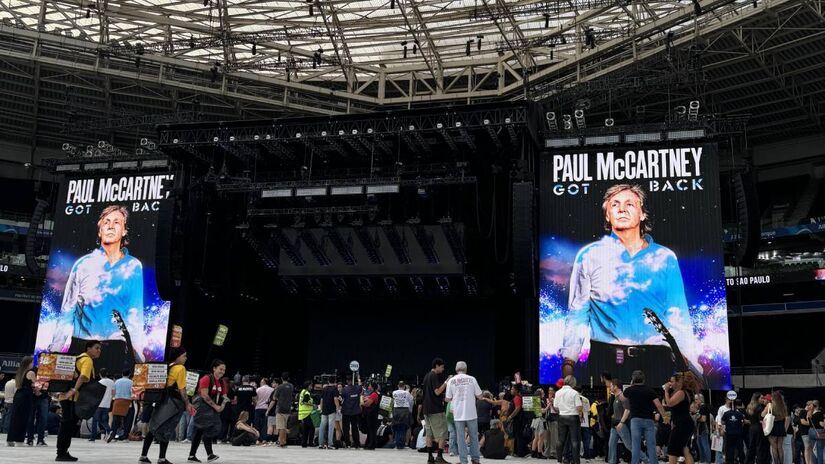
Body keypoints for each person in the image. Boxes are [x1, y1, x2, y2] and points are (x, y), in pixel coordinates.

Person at [562, 184, 701, 384]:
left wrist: (690, 363)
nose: (622, 209)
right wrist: (569, 361)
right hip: (606, 358)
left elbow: (678, 313)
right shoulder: (589, 255)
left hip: (657, 359)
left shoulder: (665, 257)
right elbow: (578, 311)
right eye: (615, 204)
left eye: (630, 204)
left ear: (642, 214)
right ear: (607, 215)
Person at [49, 206, 147, 367]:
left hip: (115, 346)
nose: (110, 226)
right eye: (106, 222)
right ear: (99, 230)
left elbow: (135, 312)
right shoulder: (83, 264)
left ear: (124, 231)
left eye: (116, 222)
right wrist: (55, 350)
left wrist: (138, 355)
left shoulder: (134, 266)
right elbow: (68, 309)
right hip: (82, 344)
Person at [139, 346, 194, 464]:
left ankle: (143, 456)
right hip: (173, 403)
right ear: (178, 356)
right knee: (167, 429)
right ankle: (162, 458)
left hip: (161, 401)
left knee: (153, 428)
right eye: (184, 356)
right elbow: (182, 389)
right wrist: (188, 403)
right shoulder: (180, 368)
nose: (186, 358)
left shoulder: (168, 366)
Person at [55, 340, 102, 461]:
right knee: (68, 425)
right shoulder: (87, 360)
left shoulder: (78, 358)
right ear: (88, 349)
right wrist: (74, 390)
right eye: (96, 348)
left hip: (65, 396)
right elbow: (83, 376)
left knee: (66, 424)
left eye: (100, 349)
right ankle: (61, 453)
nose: (99, 351)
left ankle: (62, 451)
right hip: (72, 398)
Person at [620, 370, 666, 464]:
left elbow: (622, 398)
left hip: (635, 420)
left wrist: (630, 385)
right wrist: (665, 417)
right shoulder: (650, 390)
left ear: (633, 379)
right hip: (649, 420)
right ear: (644, 379)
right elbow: (658, 405)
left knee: (636, 446)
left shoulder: (630, 390)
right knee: (651, 446)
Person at [189, 359, 228, 463]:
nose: (222, 372)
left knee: (202, 431)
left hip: (212, 409)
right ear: (214, 368)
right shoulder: (206, 378)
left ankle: (192, 456)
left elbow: (224, 397)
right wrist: (216, 407)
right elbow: (204, 396)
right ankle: (209, 454)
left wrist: (222, 406)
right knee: (206, 429)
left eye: (224, 370)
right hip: (202, 408)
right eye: (220, 369)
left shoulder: (222, 382)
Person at [445, 361, 484, 464]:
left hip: (458, 414)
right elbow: (480, 396)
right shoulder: (472, 379)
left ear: (456, 369)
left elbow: (448, 398)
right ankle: (475, 459)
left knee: (460, 438)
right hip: (471, 413)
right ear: (466, 369)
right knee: (474, 437)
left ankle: (463, 461)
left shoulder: (451, 381)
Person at [663, 372, 701, 464]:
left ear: (678, 382)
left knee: (672, 450)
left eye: (672, 381)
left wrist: (666, 390)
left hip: (682, 424)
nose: (670, 383)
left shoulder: (681, 392)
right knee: (684, 449)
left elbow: (669, 403)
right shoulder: (687, 392)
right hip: (685, 423)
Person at [423, 357, 451, 464]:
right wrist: (446, 382)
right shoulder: (434, 375)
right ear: (437, 366)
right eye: (442, 367)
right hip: (436, 409)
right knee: (442, 433)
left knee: (429, 434)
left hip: (426, 409)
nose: (443, 369)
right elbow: (437, 392)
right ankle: (439, 457)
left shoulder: (426, 376)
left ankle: (430, 458)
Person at [553, 375, 583, 464]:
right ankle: (576, 461)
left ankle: (559, 461)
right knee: (574, 440)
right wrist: (580, 416)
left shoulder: (558, 392)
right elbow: (579, 407)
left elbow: (556, 407)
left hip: (562, 417)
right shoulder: (574, 393)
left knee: (560, 440)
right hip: (573, 417)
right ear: (573, 383)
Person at [6, 356, 35, 447]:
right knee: (23, 418)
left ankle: (10, 440)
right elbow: (36, 385)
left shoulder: (19, 372)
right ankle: (19, 441)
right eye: (32, 362)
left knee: (15, 418)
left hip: (18, 395)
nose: (34, 364)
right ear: (29, 363)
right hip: (26, 396)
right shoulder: (31, 372)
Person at [608, 379, 632, 464]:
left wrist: (621, 423)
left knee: (629, 446)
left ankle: (646, 460)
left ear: (616, 386)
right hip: (614, 425)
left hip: (621, 425)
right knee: (611, 445)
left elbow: (627, 410)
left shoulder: (623, 397)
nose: (609, 387)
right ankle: (611, 462)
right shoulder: (615, 397)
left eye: (611, 386)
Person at [764, 391, 791, 464]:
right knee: (780, 447)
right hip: (781, 426)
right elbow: (786, 417)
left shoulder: (770, 405)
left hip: (772, 426)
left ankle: (776, 462)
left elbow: (763, 415)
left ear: (774, 398)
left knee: (774, 447)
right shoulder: (783, 406)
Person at [108, 369, 133, 442]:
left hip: (117, 401)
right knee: (127, 420)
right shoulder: (131, 382)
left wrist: (113, 398)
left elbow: (113, 391)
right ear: (129, 374)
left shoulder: (117, 381)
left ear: (122, 374)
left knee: (115, 420)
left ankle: (113, 436)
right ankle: (125, 437)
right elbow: (132, 392)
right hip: (127, 402)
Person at [90, 368, 114, 442]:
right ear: (107, 373)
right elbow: (113, 393)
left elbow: (96, 394)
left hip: (99, 404)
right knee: (103, 420)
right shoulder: (112, 382)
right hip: (107, 404)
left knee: (95, 421)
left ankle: (93, 437)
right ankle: (109, 431)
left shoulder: (100, 382)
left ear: (100, 374)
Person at [272, 372, 294, 448]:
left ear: (281, 378)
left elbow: (274, 397)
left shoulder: (280, 387)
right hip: (288, 409)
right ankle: (284, 441)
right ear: (288, 378)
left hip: (280, 409)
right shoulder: (291, 386)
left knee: (281, 427)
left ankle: (281, 442)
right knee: (284, 426)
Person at [722, 399, 746, 464]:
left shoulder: (726, 414)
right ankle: (742, 461)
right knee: (740, 449)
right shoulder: (739, 414)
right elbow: (743, 422)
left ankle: (730, 462)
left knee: (730, 449)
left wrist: (728, 423)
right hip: (738, 434)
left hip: (729, 434)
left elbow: (723, 422)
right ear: (736, 406)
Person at [392, 381, 414, 450]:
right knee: (403, 427)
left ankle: (398, 443)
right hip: (404, 410)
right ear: (404, 386)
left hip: (396, 410)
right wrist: (410, 410)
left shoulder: (394, 392)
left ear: (398, 385)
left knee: (397, 427)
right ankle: (401, 444)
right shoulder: (406, 393)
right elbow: (411, 401)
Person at [341, 376, 362, 449]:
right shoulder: (358, 388)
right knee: (355, 428)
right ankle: (357, 443)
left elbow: (341, 398)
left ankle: (347, 443)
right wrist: (359, 380)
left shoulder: (344, 389)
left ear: (347, 381)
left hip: (346, 411)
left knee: (346, 428)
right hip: (355, 412)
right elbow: (360, 385)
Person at [319, 381, 340, 449]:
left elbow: (321, 400)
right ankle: (330, 444)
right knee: (331, 427)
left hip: (324, 410)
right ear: (334, 382)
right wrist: (337, 408)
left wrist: (321, 409)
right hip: (331, 410)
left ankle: (321, 444)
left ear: (328, 382)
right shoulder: (334, 389)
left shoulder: (324, 389)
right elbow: (335, 399)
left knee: (322, 427)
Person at [361, 382, 380, 450]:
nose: (368, 387)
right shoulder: (372, 394)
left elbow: (368, 404)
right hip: (371, 414)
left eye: (369, 386)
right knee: (370, 430)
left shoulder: (374, 394)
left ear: (372, 387)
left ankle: (371, 445)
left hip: (372, 415)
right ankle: (370, 444)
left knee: (371, 430)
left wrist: (361, 403)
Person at [253, 377, 272, 444]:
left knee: (257, 424)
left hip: (258, 408)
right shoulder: (271, 390)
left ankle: (257, 439)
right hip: (267, 408)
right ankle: (264, 439)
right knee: (265, 424)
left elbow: (255, 398)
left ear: (263, 382)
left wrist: (256, 404)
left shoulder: (258, 389)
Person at [297, 380, 316, 448]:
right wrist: (312, 404)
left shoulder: (302, 392)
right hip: (307, 413)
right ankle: (310, 443)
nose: (311, 387)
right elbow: (305, 401)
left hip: (303, 413)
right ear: (308, 386)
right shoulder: (307, 392)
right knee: (312, 428)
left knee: (306, 429)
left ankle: (304, 443)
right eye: (310, 386)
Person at [695, 393, 712, 464]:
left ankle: (707, 461)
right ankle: (702, 461)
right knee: (700, 445)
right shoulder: (700, 408)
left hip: (703, 429)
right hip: (700, 429)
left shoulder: (703, 407)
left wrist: (695, 417)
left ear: (700, 399)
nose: (695, 401)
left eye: (696, 399)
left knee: (705, 445)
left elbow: (703, 419)